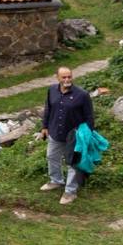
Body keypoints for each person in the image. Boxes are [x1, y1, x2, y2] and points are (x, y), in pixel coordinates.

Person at [41, 65, 95, 205]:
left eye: (69, 76)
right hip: (54, 132)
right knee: (51, 156)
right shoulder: (52, 90)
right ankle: (56, 181)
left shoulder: (82, 95)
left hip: (74, 136)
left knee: (72, 163)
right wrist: (44, 127)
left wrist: (87, 135)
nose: (67, 79)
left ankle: (70, 192)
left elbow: (89, 117)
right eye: (63, 77)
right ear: (57, 78)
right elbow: (48, 109)